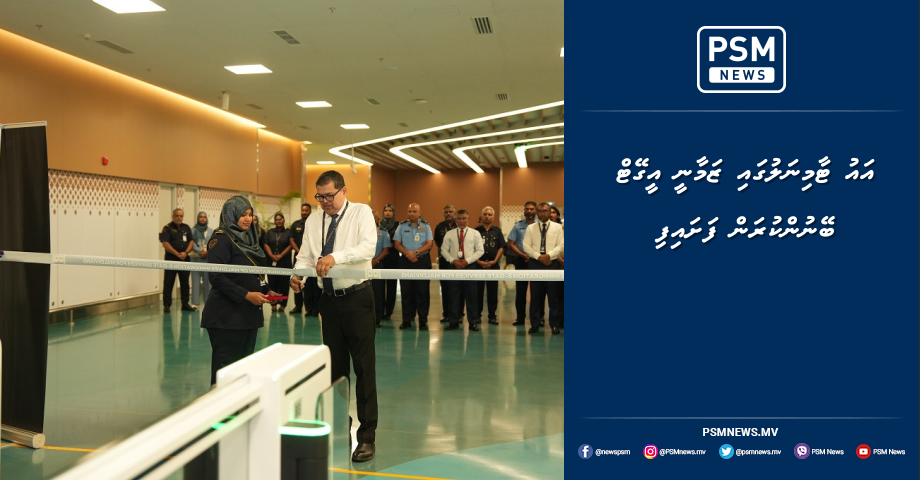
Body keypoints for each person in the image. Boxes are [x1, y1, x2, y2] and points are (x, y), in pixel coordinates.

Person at [290, 171, 378, 462]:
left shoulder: (361, 213)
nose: (325, 201)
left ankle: (367, 437)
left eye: (330, 195)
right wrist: (298, 275)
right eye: (320, 196)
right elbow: (306, 255)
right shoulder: (314, 220)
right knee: (336, 372)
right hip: (328, 302)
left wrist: (334, 257)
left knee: (363, 369)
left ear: (343, 191)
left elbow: (368, 247)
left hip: (357, 298)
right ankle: (341, 430)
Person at [201, 196, 276, 385]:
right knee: (226, 370)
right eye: (243, 215)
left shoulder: (250, 239)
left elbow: (255, 272)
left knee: (244, 368)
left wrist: (267, 289)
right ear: (231, 215)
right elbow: (216, 276)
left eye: (250, 214)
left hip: (248, 315)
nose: (247, 219)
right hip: (226, 316)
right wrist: (246, 295)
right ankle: (220, 403)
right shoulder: (221, 239)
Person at [522, 202, 564, 335]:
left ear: (550, 212)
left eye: (545, 211)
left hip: (552, 263)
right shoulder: (531, 228)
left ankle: (554, 325)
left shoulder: (557, 227)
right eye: (540, 211)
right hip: (535, 263)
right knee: (535, 296)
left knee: (553, 296)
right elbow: (526, 246)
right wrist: (539, 257)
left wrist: (548, 255)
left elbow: (561, 245)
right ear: (537, 213)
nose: (542, 213)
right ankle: (534, 324)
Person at [440, 210, 484, 331]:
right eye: (459, 218)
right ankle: (453, 321)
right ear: (456, 220)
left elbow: (480, 250)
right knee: (453, 295)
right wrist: (452, 260)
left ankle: (473, 322)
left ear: (468, 219)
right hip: (454, 266)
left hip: (470, 267)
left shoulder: (475, 233)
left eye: (464, 218)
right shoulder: (449, 234)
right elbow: (443, 250)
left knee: (472, 296)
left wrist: (467, 261)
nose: (461, 221)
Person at [392, 203, 433, 331]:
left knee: (422, 292)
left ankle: (423, 321)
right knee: (406, 292)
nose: (412, 213)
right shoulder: (401, 226)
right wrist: (408, 254)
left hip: (422, 261)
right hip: (405, 261)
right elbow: (397, 244)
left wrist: (415, 253)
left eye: (414, 211)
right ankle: (407, 320)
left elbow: (429, 244)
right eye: (409, 211)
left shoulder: (426, 226)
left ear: (419, 213)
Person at [506, 201, 537, 325]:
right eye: (527, 209)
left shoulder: (540, 225)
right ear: (524, 211)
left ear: (535, 211)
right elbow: (511, 244)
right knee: (520, 291)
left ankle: (538, 318)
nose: (529, 211)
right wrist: (523, 255)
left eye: (532, 209)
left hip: (537, 261)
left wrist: (535, 256)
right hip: (521, 261)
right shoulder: (517, 226)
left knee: (537, 291)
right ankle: (520, 317)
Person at [159, 208, 196, 313]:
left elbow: (191, 241)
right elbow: (165, 243)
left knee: (185, 282)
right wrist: (176, 253)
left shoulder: (186, 227)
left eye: (181, 216)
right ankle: (167, 305)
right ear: (173, 216)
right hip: (171, 259)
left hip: (185, 258)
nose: (179, 218)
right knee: (168, 282)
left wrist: (186, 252)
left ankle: (185, 304)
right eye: (177, 216)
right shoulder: (167, 228)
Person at [474, 206, 505, 324]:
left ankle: (492, 316)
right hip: (478, 265)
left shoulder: (497, 231)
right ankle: (477, 315)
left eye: (489, 214)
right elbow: (471, 249)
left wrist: (495, 261)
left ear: (493, 217)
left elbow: (501, 247)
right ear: (481, 216)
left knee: (493, 292)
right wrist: (478, 261)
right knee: (478, 292)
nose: (487, 216)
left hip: (493, 265)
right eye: (485, 214)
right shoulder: (475, 231)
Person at [289, 203, 320, 315]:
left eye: (306, 210)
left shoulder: (315, 224)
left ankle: (315, 309)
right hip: (300, 258)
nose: (304, 212)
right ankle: (301, 307)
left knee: (315, 285)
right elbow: (291, 239)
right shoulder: (296, 224)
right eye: (302, 210)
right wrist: (301, 252)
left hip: (314, 258)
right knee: (299, 282)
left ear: (310, 211)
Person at [433, 205, 459, 323]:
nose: (449, 214)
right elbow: (438, 242)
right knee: (445, 287)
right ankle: (446, 314)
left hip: (457, 260)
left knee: (458, 288)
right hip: (444, 260)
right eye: (446, 212)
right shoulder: (439, 227)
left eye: (451, 212)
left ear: (454, 213)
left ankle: (459, 314)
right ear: (443, 213)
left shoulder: (459, 226)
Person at [263, 213, 293, 312]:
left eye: (280, 219)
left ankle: (283, 305)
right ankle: (273, 304)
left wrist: (281, 255)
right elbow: (265, 244)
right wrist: (271, 255)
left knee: (284, 284)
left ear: (283, 220)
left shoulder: (289, 232)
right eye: (276, 219)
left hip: (284, 262)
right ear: (274, 221)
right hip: (271, 261)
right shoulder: (270, 232)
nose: (278, 221)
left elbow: (291, 245)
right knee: (272, 283)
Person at [370, 209, 391, 327]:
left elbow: (385, 250)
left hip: (377, 264)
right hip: (363, 265)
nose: (371, 219)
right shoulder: (359, 232)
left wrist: (375, 260)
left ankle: (378, 317)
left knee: (378, 292)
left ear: (377, 219)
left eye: (374, 217)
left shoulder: (383, 233)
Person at [379, 204, 400, 320]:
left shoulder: (398, 226)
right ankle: (380, 310)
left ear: (393, 213)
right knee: (379, 286)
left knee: (392, 286)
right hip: (381, 258)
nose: (387, 213)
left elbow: (399, 241)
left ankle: (389, 311)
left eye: (390, 211)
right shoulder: (379, 225)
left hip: (393, 257)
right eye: (386, 210)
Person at [189, 211, 214, 307]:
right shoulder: (193, 230)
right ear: (198, 219)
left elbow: (213, 243)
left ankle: (208, 302)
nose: (202, 219)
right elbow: (191, 243)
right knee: (195, 281)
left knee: (207, 282)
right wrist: (199, 251)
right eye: (201, 217)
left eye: (204, 217)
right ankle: (195, 302)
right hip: (196, 259)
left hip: (207, 259)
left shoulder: (211, 231)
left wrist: (207, 252)